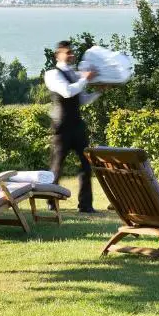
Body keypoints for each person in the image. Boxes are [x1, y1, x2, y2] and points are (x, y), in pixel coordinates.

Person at [44, 40, 102, 213]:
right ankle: (51, 203)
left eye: (72, 52)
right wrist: (85, 78)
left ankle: (86, 205)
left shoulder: (75, 74)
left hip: (77, 125)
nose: (71, 55)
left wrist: (99, 91)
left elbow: (81, 99)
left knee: (86, 164)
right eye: (67, 52)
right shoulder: (52, 74)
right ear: (58, 55)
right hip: (61, 127)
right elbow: (68, 91)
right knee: (57, 165)